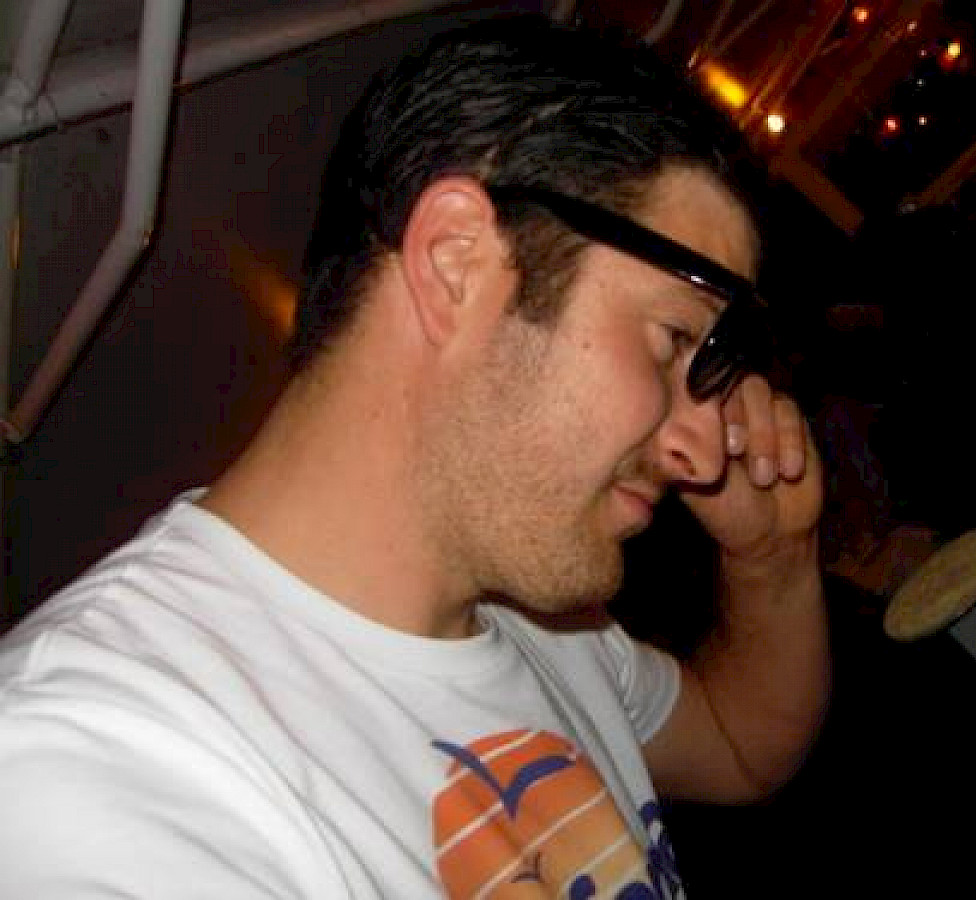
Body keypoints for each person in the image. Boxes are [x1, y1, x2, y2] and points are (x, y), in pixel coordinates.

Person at [0, 15, 830, 899]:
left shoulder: (540, 617)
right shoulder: (90, 768)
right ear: (456, 262)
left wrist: (773, 560)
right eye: (673, 340)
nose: (701, 452)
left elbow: (741, 750)